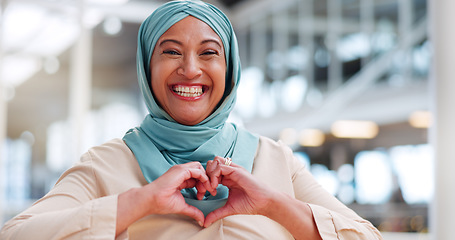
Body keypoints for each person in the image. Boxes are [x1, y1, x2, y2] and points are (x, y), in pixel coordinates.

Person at [0, 1, 384, 239]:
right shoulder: (105, 164)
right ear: (147, 68)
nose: (189, 69)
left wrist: (273, 203)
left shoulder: (276, 160)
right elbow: (16, 234)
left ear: (230, 69)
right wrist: (140, 201)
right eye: (170, 52)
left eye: (208, 53)